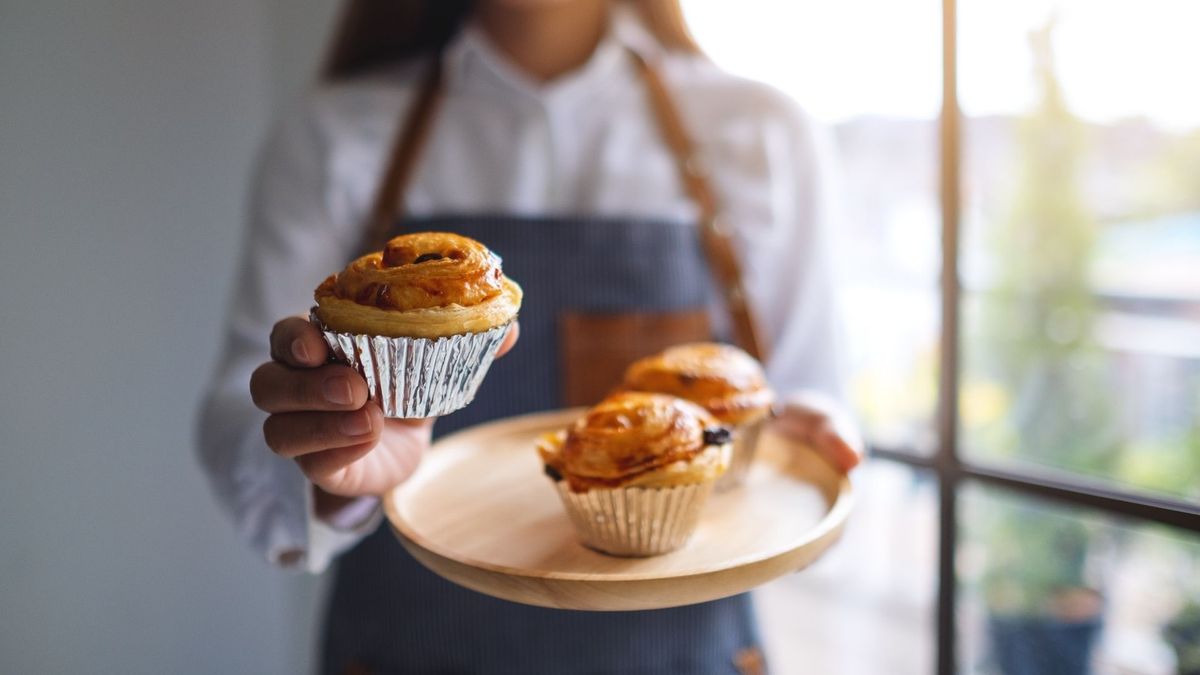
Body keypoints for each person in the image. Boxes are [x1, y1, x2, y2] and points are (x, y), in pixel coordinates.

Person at [198, 0, 863, 672]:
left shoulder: (761, 133)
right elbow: (242, 416)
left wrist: (809, 443)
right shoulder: (335, 133)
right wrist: (333, 466)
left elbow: (804, 397)